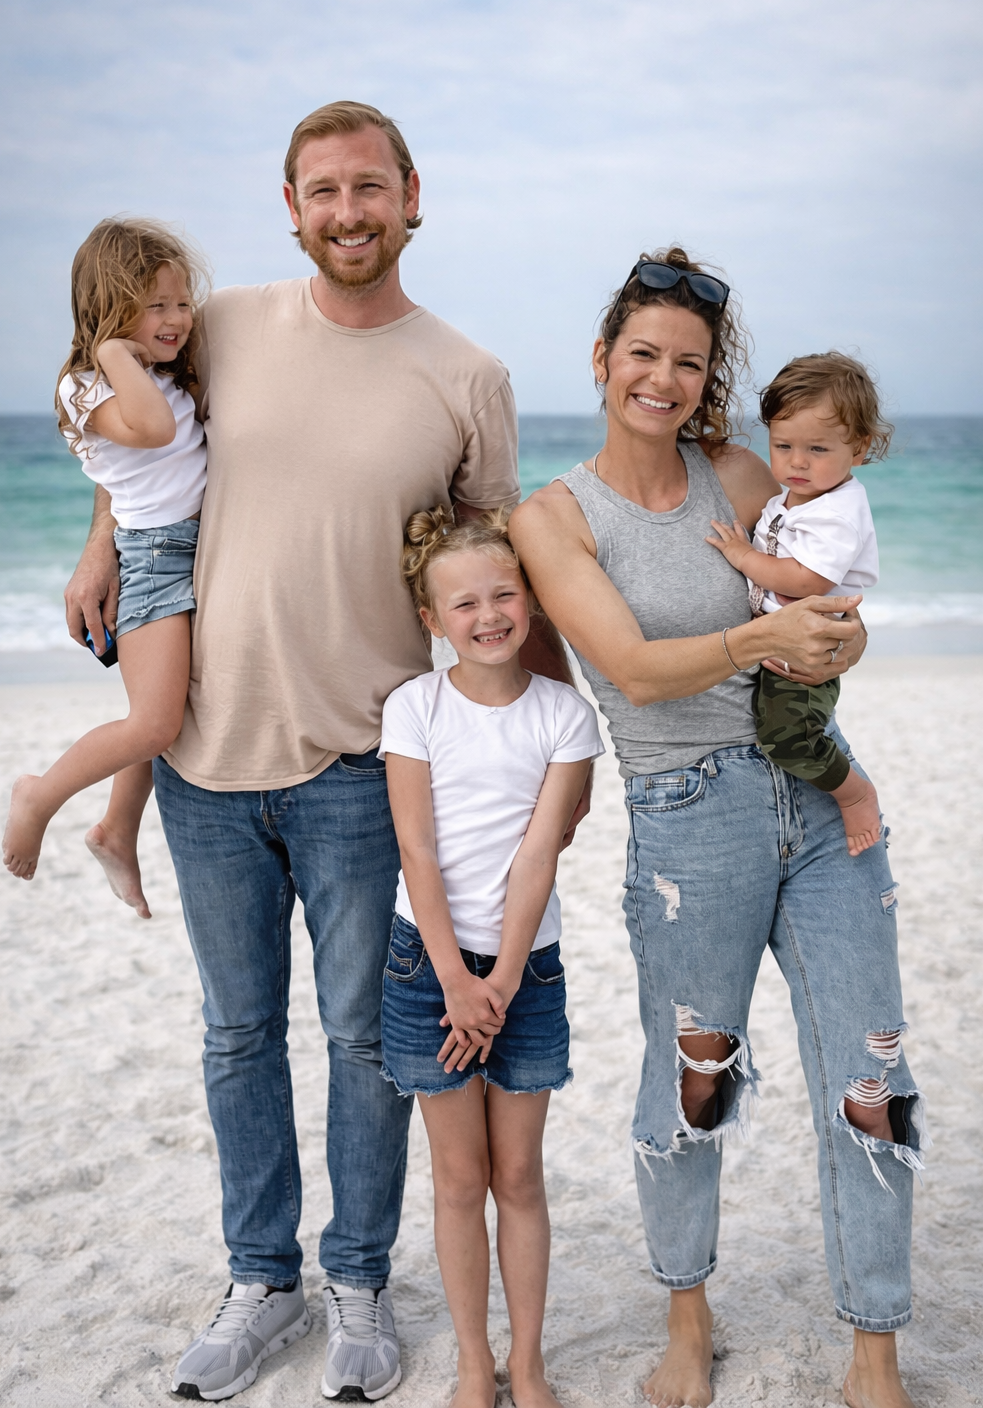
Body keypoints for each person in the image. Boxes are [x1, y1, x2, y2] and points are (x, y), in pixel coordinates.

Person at [62, 102, 581, 1403]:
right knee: (238, 1035)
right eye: (322, 192)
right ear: (288, 207)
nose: (347, 212)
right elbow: (135, 444)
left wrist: (561, 734)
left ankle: (356, 1277)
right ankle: (260, 1282)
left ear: (413, 195)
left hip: (367, 759)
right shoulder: (222, 326)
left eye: (369, 187)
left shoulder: (468, 377)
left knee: (361, 1039)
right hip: (201, 753)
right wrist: (95, 548)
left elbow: (490, 580)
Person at [509, 250, 926, 1408]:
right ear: (602, 362)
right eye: (641, 354)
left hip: (812, 792)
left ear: (706, 380)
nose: (662, 378)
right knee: (696, 1080)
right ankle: (687, 1320)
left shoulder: (742, 474)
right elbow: (635, 673)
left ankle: (874, 1354)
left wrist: (840, 640)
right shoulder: (553, 519)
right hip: (689, 820)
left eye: (686, 363)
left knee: (872, 1074)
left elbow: (820, 605)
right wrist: (761, 644)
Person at [380, 507, 603, 1408]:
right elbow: (416, 850)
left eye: (504, 593)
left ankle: (532, 1360)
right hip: (425, 969)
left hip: (526, 973)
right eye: (463, 602)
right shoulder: (414, 707)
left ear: (532, 601)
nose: (488, 614)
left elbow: (538, 856)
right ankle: (475, 1362)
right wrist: (455, 981)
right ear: (432, 620)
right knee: (459, 1177)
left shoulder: (566, 718)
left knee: (518, 1175)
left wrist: (502, 982)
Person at [3, 218, 207, 917]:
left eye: (182, 303)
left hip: (200, 553)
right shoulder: (87, 389)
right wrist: (115, 352)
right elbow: (152, 433)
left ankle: (116, 828)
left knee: (166, 712)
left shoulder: (160, 376)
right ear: (110, 309)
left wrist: (141, 351)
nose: (177, 319)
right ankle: (41, 793)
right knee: (153, 724)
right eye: (156, 306)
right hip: (153, 561)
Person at [705, 352, 892, 856]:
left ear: (860, 445)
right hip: (787, 641)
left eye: (817, 448)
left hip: (806, 647)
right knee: (781, 727)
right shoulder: (801, 497)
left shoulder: (838, 512)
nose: (797, 462)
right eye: (783, 446)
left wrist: (741, 555)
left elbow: (805, 580)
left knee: (788, 738)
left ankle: (854, 795)